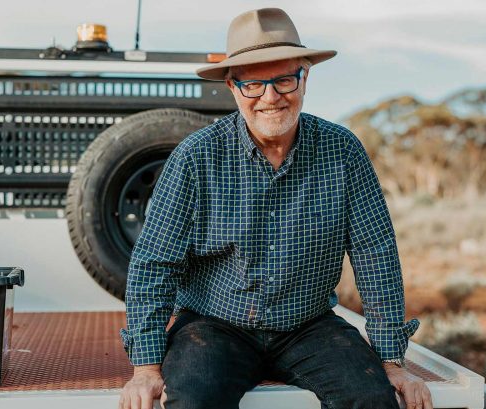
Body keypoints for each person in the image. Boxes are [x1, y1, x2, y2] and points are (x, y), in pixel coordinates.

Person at [118, 7, 432, 409]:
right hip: (215, 326)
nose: (270, 97)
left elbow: (376, 254)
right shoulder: (196, 157)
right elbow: (155, 263)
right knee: (193, 400)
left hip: (309, 326)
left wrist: (391, 360)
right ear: (233, 87)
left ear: (304, 76)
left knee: (372, 398)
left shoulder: (343, 152)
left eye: (283, 79)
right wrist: (145, 368)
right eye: (253, 84)